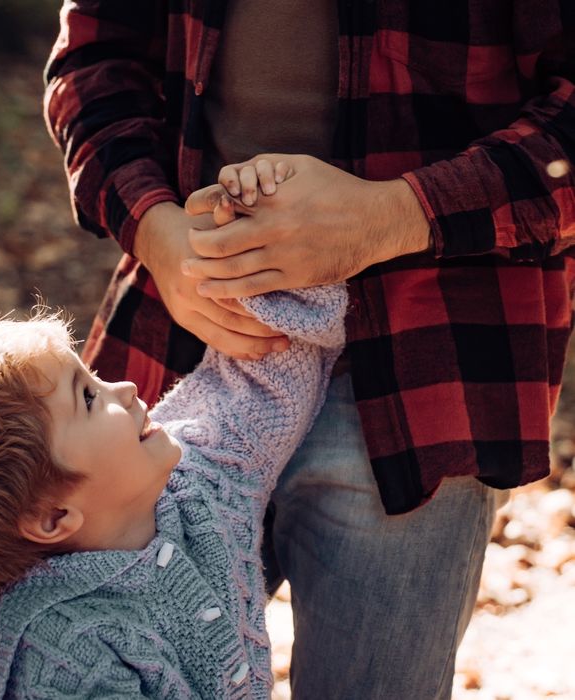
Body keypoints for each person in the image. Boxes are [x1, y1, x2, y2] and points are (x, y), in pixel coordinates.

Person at [44, 2, 575, 697]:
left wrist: (400, 214)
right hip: (181, 348)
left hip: (425, 371)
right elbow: (93, 58)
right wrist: (153, 228)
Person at [0, 171, 349, 698]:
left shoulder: (198, 487)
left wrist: (259, 245)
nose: (123, 387)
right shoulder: (63, 656)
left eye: (91, 377)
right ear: (54, 517)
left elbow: (257, 390)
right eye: (88, 398)